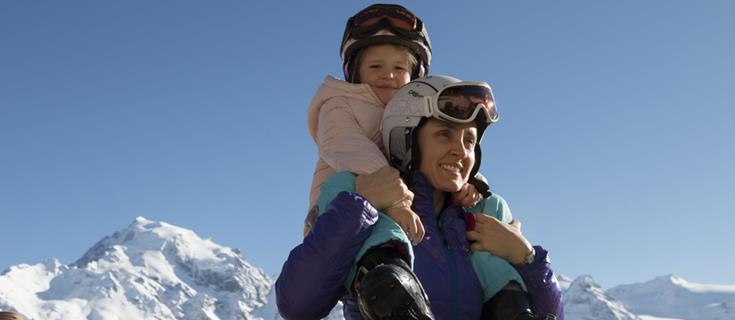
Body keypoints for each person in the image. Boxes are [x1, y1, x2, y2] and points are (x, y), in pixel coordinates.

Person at [278, 75, 564, 319]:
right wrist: (359, 206)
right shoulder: (357, 192)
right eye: (444, 135)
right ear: (406, 139)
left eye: (469, 141)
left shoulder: (483, 216)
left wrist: (527, 258)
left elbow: (552, 313)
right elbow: (296, 303)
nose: (460, 151)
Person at [304, 3, 486, 244]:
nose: (388, 75)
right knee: (380, 235)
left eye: (399, 68)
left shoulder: (413, 115)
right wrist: (396, 201)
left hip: (399, 209)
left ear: (415, 77)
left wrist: (470, 180)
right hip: (337, 214)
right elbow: (351, 148)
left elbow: (438, 152)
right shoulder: (339, 105)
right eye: (375, 66)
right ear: (356, 73)